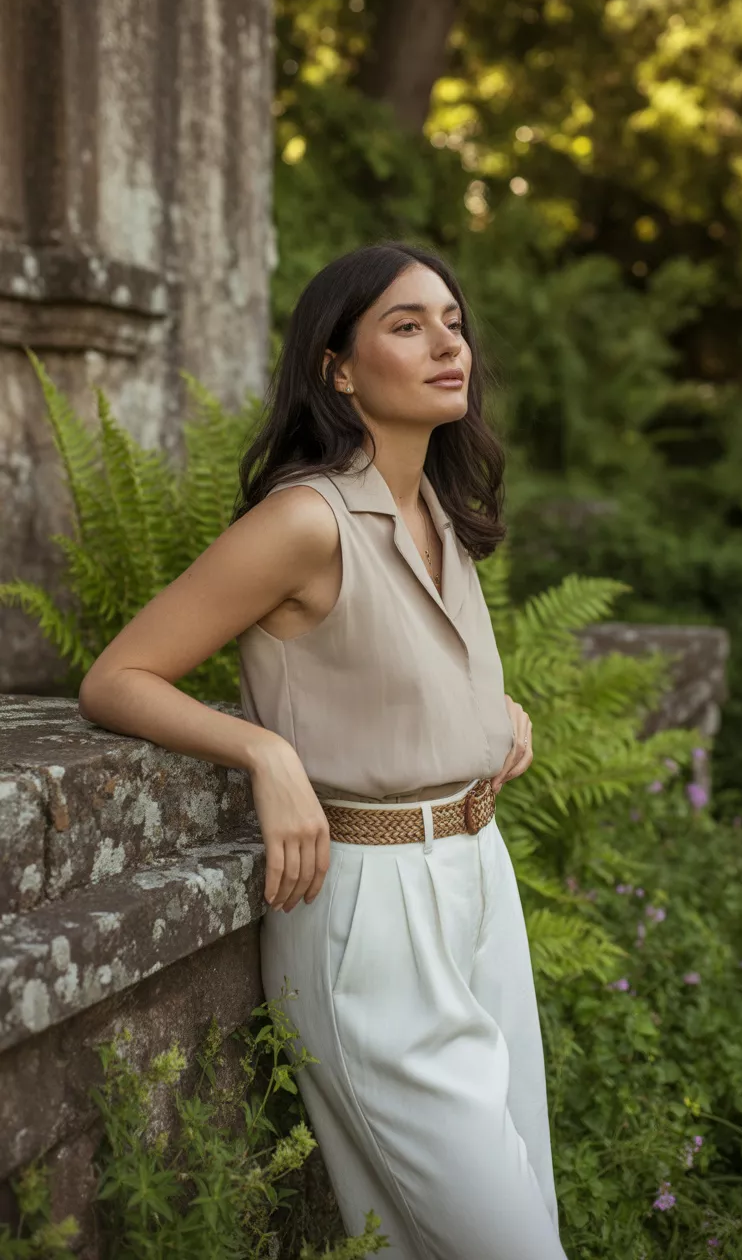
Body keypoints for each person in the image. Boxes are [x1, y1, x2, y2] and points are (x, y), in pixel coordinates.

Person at [78, 240, 567, 1260]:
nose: (448, 344)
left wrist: (491, 718)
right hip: (371, 916)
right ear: (337, 368)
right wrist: (266, 750)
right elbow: (118, 676)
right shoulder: (306, 520)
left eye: (453, 321)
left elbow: (388, 675)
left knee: (469, 1226)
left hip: (481, 883)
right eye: (407, 323)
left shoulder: (442, 511)